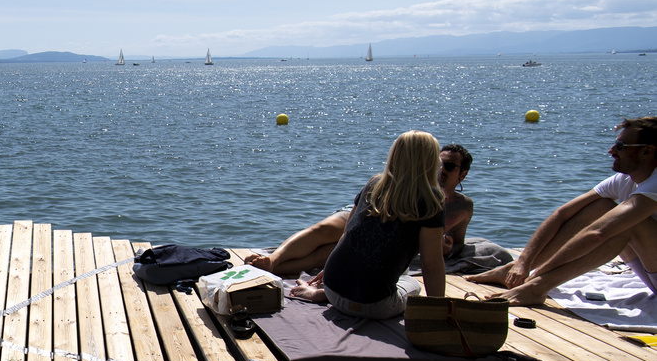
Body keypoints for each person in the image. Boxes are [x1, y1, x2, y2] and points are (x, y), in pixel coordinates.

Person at [471, 117, 657, 305]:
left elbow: (597, 234)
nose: (611, 150)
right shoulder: (623, 180)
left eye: (621, 145)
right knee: (601, 207)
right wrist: (523, 263)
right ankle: (511, 271)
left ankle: (538, 288)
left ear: (647, 151)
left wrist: (539, 276)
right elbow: (563, 213)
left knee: (627, 223)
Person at [246, 143, 474, 277]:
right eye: (439, 162)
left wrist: (449, 249)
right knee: (324, 229)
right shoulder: (416, 187)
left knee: (325, 255)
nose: (442, 168)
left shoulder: (463, 207)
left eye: (450, 166)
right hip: (371, 210)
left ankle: (272, 270)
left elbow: (458, 241)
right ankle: (273, 260)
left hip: (387, 231)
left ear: (462, 174)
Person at [290, 130, 447, 319]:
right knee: (414, 284)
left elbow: (348, 232)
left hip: (332, 286)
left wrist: (333, 269)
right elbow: (431, 264)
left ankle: (321, 293)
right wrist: (440, 313)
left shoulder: (375, 184)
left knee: (390, 264)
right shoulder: (431, 201)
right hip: (373, 306)